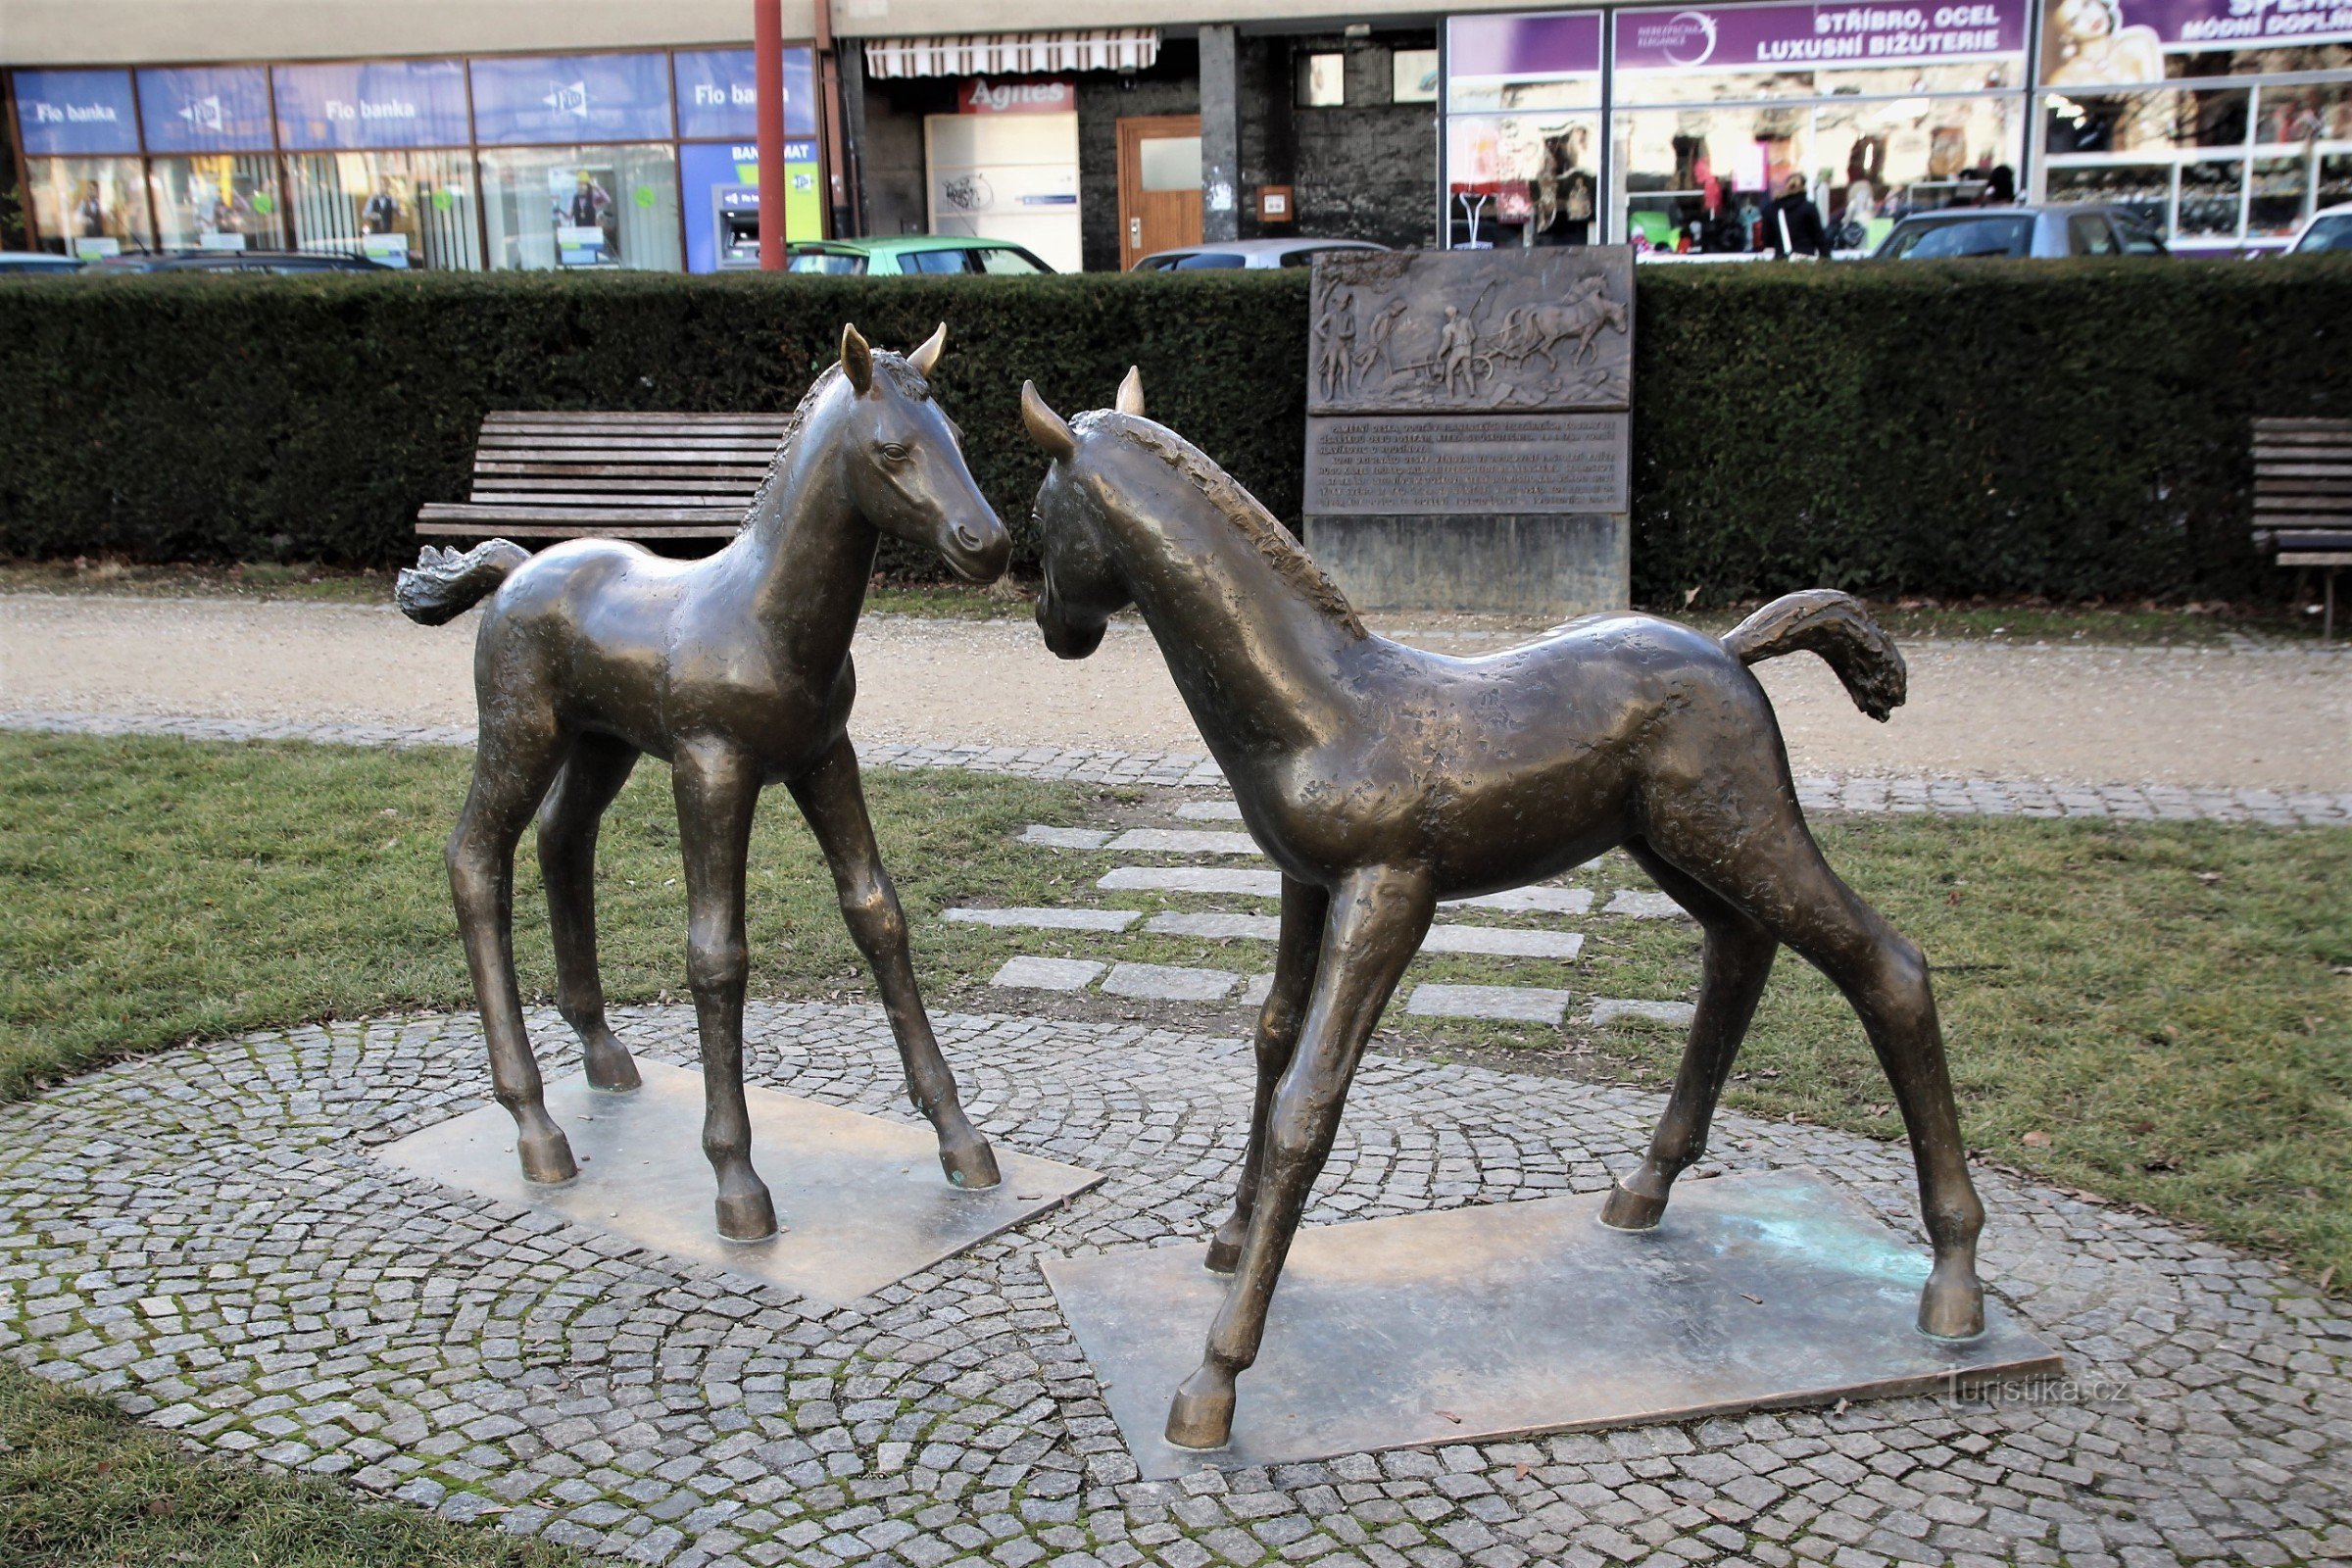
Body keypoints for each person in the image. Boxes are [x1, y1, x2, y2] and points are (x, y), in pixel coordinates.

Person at [1764, 173, 1831, 259]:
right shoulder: (1808, 208)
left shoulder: (1772, 208)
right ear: (1804, 187)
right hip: (1806, 257)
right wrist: (1826, 256)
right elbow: (1818, 236)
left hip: (1782, 258)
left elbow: (1767, 238)